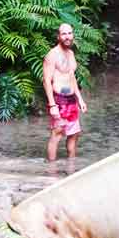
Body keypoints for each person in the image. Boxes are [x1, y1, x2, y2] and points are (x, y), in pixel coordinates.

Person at [42, 23, 87, 161]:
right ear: (58, 36)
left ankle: (71, 167)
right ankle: (52, 171)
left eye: (69, 33)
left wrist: (80, 99)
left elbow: (71, 77)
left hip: (71, 100)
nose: (67, 37)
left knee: (74, 134)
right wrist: (52, 105)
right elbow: (46, 81)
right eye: (64, 34)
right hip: (59, 100)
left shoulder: (71, 54)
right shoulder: (52, 55)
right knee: (57, 133)